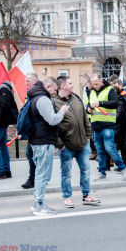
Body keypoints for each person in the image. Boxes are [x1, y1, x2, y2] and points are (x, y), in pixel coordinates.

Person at [54, 76, 100, 208]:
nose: (72, 85)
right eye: (70, 83)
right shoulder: (54, 102)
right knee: (66, 173)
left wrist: (88, 136)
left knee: (86, 170)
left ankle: (86, 195)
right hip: (67, 146)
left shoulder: (76, 98)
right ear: (62, 86)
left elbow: (85, 118)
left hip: (82, 143)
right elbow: (53, 126)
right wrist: (60, 144)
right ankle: (67, 197)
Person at [28, 77, 69, 216]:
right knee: (43, 175)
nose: (55, 92)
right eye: (54, 89)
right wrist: (62, 111)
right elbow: (52, 120)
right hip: (43, 141)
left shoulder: (34, 97)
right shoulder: (43, 99)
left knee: (40, 173)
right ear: (47, 86)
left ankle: (37, 204)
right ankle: (39, 205)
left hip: (38, 140)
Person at [87, 73, 126, 181]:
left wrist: (100, 103)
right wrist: (89, 109)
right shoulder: (91, 92)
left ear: (101, 81)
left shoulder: (110, 90)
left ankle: (123, 168)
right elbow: (88, 105)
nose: (94, 86)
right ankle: (102, 172)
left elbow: (115, 103)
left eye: (96, 83)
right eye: (93, 84)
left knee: (109, 148)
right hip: (96, 125)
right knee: (100, 151)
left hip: (107, 125)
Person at [21, 73, 39, 189]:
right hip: (32, 130)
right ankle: (35, 178)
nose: (26, 83)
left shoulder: (38, 94)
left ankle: (35, 179)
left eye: (28, 81)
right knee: (30, 154)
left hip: (37, 130)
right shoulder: (32, 94)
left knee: (33, 155)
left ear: (35, 80)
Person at [112, 78, 126, 166]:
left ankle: (124, 163)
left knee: (123, 146)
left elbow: (119, 114)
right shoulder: (120, 97)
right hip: (121, 124)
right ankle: (122, 163)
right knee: (121, 145)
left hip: (123, 124)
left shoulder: (123, 97)